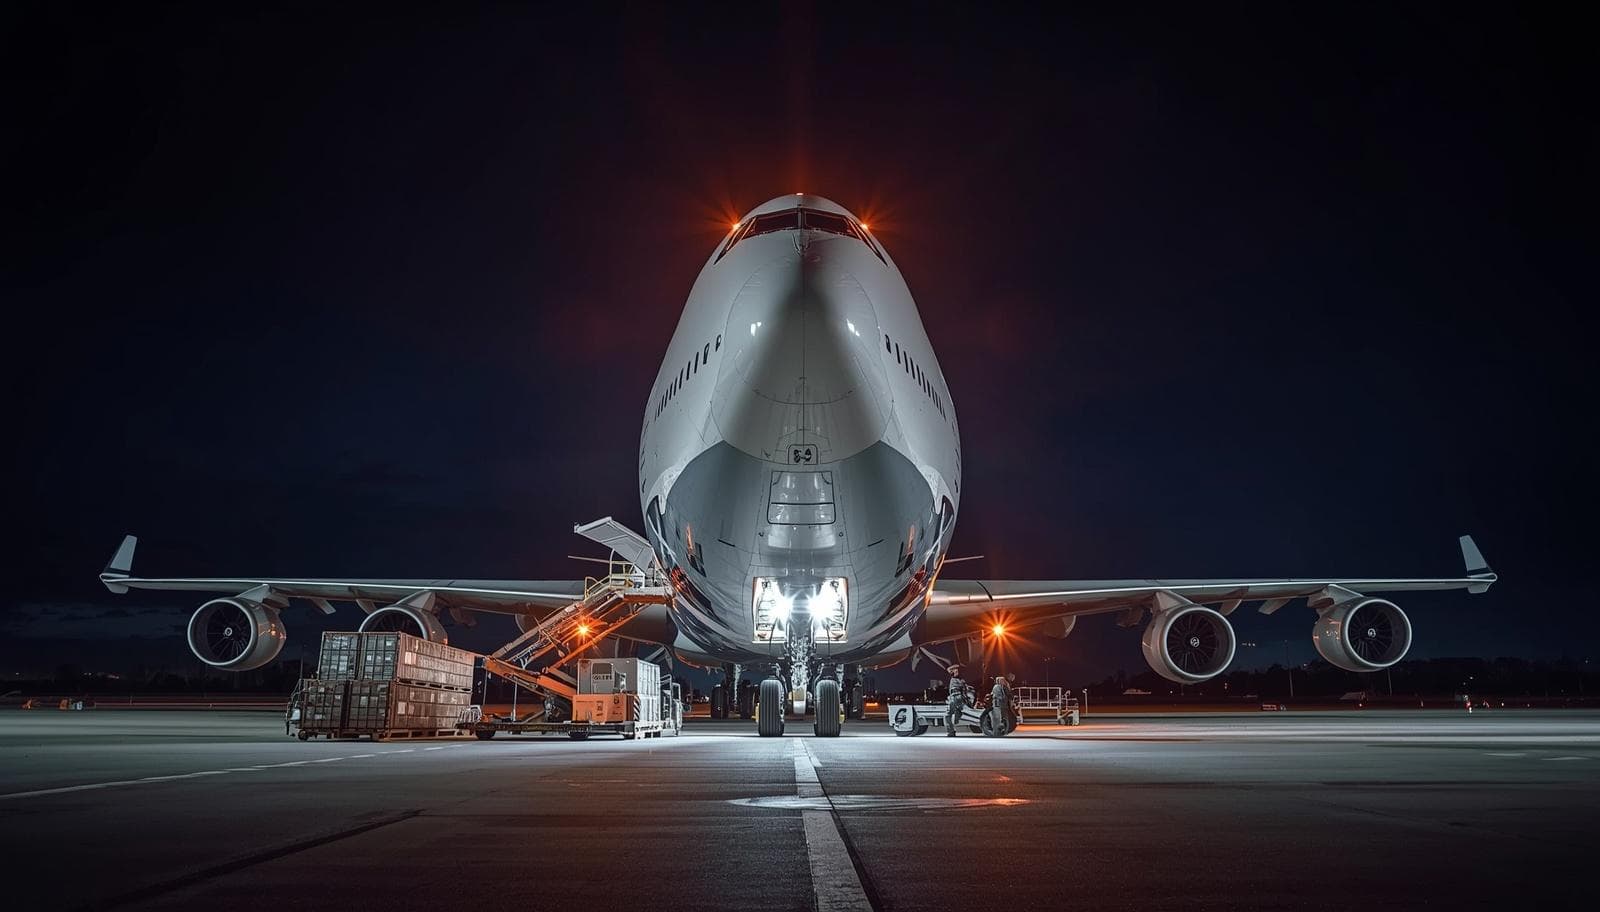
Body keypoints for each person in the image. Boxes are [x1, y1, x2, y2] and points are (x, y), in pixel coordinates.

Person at [945, 665, 967, 736]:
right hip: (956, 697)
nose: (956, 672)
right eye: (955, 671)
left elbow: (963, 691)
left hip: (955, 697)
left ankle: (951, 731)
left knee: (947, 715)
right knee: (954, 713)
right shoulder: (958, 679)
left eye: (957, 671)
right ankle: (957, 717)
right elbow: (948, 669)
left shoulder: (958, 680)